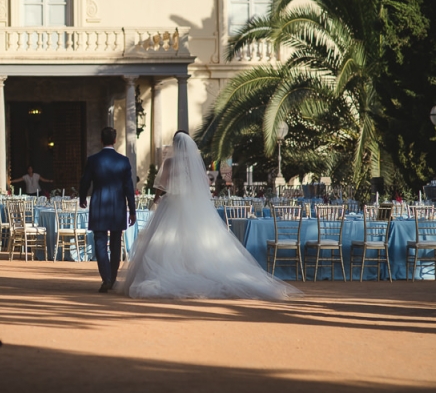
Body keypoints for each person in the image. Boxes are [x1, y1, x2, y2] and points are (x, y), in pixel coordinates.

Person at [116, 131, 300, 300]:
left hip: (171, 204)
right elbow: (204, 183)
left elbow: (162, 185)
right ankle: (193, 270)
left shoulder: (170, 162)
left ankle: (178, 271)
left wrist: (156, 199)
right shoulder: (193, 163)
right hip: (192, 205)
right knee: (196, 241)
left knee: (166, 242)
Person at [80, 127, 136, 293]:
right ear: (115, 140)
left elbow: (85, 181)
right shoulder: (124, 161)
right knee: (116, 242)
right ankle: (112, 276)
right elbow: (128, 188)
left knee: (100, 242)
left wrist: (82, 197)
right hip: (118, 205)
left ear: (101, 140)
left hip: (99, 204)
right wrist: (132, 210)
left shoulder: (93, 160)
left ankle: (106, 278)